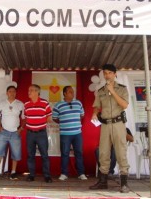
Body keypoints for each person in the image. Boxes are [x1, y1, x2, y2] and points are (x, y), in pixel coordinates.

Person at [89, 64, 130, 193]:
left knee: (120, 153)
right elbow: (97, 105)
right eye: (105, 73)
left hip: (118, 124)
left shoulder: (122, 89)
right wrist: (95, 112)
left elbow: (124, 105)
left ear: (115, 74)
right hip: (105, 125)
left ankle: (124, 183)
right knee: (103, 153)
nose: (107, 75)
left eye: (109, 73)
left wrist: (112, 91)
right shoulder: (101, 91)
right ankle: (103, 182)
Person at [0, 85, 25, 180]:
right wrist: (0, 128)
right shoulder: (1, 103)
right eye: (10, 91)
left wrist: (20, 129)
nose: (12, 93)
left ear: (16, 93)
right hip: (4, 132)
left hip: (15, 132)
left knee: (16, 153)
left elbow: (24, 119)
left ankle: (13, 172)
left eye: (13, 91)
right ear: (7, 93)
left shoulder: (20, 104)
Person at [52, 86, 87, 181]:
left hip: (77, 133)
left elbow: (82, 115)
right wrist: (64, 123)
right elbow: (54, 118)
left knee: (79, 153)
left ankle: (81, 173)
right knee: (65, 153)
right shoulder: (58, 105)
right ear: (65, 93)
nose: (72, 93)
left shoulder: (78, 103)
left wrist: (74, 123)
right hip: (65, 134)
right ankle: (64, 173)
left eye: (73, 91)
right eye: (70, 92)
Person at [24, 84, 53, 183]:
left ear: (37, 92)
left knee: (44, 155)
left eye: (31, 90)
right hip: (30, 134)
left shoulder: (45, 103)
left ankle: (47, 176)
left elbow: (49, 118)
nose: (29, 92)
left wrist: (40, 122)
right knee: (30, 155)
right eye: (28, 90)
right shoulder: (26, 104)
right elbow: (26, 117)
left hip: (41, 133)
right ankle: (31, 175)